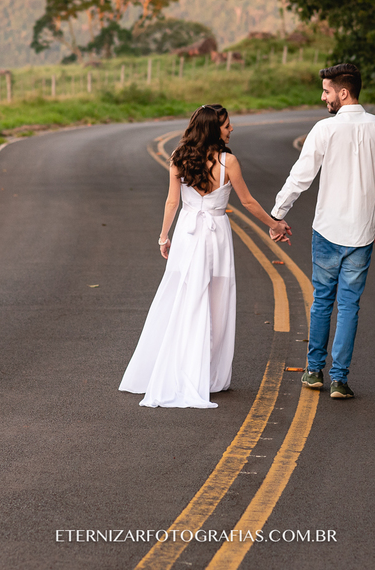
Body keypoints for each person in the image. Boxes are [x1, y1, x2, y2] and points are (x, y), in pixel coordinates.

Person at [120, 104, 290, 408]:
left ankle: (181, 368)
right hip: (216, 238)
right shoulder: (229, 162)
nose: (231, 128)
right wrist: (274, 224)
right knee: (216, 301)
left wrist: (163, 236)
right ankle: (208, 375)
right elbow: (248, 202)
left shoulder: (178, 158)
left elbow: (172, 202)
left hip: (186, 233)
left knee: (183, 298)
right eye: (226, 125)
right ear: (214, 129)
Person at [270, 63, 375, 400]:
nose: (323, 96)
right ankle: (340, 380)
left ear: (343, 93)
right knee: (349, 306)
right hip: (362, 233)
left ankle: (314, 371)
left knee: (322, 303)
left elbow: (301, 176)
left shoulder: (324, 130)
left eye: (327, 91)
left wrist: (277, 214)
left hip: (328, 232)